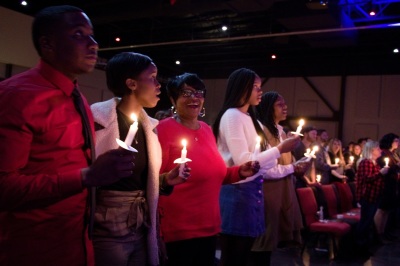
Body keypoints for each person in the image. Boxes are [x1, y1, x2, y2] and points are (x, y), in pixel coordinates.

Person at [0, 5, 135, 266]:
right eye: (78, 34)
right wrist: (88, 176)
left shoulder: (77, 96)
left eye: (92, 35)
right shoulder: (17, 96)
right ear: (48, 44)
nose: (93, 44)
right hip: (32, 249)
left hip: (77, 243)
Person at [90, 52, 190, 266]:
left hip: (141, 225)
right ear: (131, 83)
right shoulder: (97, 121)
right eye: (152, 77)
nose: (158, 84)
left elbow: (140, 180)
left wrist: (164, 180)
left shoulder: (149, 127)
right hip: (106, 224)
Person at [156, 72, 260, 266]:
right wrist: (167, 177)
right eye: (186, 93)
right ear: (173, 98)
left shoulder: (206, 129)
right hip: (178, 230)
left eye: (199, 93)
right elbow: (153, 180)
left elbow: (215, 173)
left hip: (210, 227)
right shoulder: (163, 130)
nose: (194, 98)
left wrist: (238, 172)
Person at [212, 68, 300, 266]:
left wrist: (276, 152)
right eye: (255, 87)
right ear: (241, 88)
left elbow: (263, 159)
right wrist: (279, 149)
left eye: (260, 87)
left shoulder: (250, 118)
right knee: (235, 255)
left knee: (246, 253)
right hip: (237, 190)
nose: (260, 91)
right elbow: (245, 161)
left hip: (252, 190)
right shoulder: (232, 115)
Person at [251, 91, 308, 265]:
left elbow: (285, 162)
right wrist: (292, 167)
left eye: (285, 104)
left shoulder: (281, 132)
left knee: (272, 244)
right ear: (268, 108)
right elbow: (266, 169)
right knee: (263, 243)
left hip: (282, 190)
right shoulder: (265, 132)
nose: (285, 108)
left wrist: (298, 166)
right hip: (268, 192)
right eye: (279, 105)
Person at [355, 140, 388, 250]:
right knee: (365, 221)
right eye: (378, 148)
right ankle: (360, 245)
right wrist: (381, 173)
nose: (380, 150)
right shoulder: (366, 162)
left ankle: (366, 244)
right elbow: (367, 178)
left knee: (368, 221)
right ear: (371, 150)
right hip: (367, 196)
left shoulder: (375, 162)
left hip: (374, 195)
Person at [374, 133, 400, 244]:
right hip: (386, 184)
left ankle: (384, 231)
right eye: (396, 141)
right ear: (389, 141)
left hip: (393, 184)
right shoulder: (384, 153)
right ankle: (378, 233)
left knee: (388, 209)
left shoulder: (393, 154)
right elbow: (385, 166)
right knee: (382, 209)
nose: (398, 143)